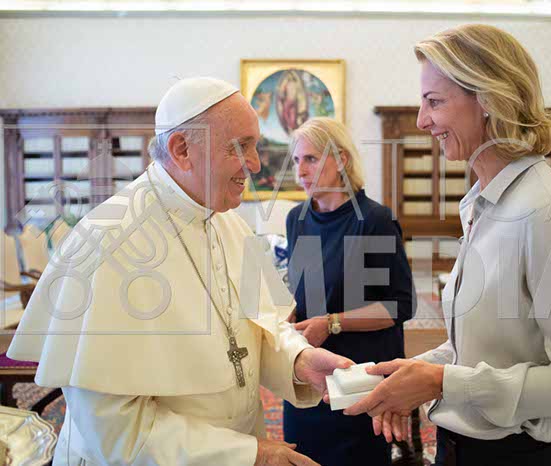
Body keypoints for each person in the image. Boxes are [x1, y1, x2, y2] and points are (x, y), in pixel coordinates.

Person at [8, 77, 354, 466]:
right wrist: (250, 454)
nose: (256, 164)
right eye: (240, 146)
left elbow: (260, 330)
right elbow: (114, 430)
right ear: (182, 149)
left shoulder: (229, 222)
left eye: (255, 145)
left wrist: (299, 361)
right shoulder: (108, 240)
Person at [344, 25, 551, 466]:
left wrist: (441, 382)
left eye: (434, 102)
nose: (421, 120)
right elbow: (482, 352)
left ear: (489, 99)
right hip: (459, 449)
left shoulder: (547, 213)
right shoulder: (481, 204)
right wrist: (408, 375)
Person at [283, 117, 416, 466]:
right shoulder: (296, 219)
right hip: (309, 379)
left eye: (311, 159)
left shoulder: (373, 220)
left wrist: (332, 323)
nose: (300, 171)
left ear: (341, 159)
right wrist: (286, 316)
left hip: (358, 379)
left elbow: (400, 305)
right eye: (296, 160)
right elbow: (303, 293)